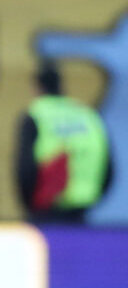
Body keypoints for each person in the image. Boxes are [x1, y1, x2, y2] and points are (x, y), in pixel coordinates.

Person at [16, 60, 112, 223]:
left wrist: (30, 205)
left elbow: (25, 169)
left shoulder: (36, 115)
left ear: (37, 87)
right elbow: (108, 169)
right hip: (82, 214)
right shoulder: (88, 116)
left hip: (44, 213)